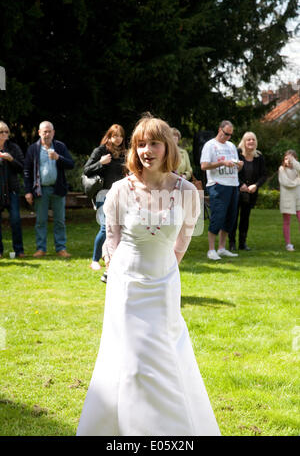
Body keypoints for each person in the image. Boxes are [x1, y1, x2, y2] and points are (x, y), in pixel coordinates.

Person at [77, 114, 220, 436]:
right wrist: (115, 271)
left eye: (154, 143)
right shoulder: (118, 190)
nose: (146, 150)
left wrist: (166, 268)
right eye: (140, 144)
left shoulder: (186, 191)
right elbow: (110, 238)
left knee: (166, 355)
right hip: (127, 284)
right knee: (134, 360)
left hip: (165, 282)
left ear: (167, 146)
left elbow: (183, 237)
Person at [24, 121, 74, 258]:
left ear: (53, 133)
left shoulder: (60, 147)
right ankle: (41, 249)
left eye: (49, 131)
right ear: (39, 133)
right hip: (41, 190)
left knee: (59, 220)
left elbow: (71, 164)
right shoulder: (33, 149)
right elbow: (27, 171)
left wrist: (58, 158)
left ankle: (61, 248)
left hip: (58, 189)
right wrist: (28, 191)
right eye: (44, 132)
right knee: (41, 221)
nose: (47, 134)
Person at [83, 124, 126, 274]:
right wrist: (101, 162)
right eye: (115, 136)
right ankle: (95, 260)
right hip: (104, 193)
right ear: (109, 136)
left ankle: (111, 257)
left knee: (119, 227)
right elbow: (86, 170)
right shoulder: (101, 150)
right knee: (105, 227)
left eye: (120, 136)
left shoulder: (124, 153)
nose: (118, 139)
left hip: (120, 193)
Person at [200, 120, 244, 260]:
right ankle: (211, 249)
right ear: (220, 130)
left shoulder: (231, 146)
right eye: (226, 134)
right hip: (218, 185)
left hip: (233, 184)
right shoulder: (210, 145)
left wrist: (239, 165)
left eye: (230, 135)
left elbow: (237, 168)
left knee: (230, 218)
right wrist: (222, 163)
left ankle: (222, 248)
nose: (228, 137)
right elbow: (204, 165)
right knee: (217, 217)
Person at [229, 132, 267, 251]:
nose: (251, 142)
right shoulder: (237, 154)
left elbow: (264, 175)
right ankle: (232, 243)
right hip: (237, 191)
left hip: (251, 193)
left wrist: (255, 185)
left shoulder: (259, 157)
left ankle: (242, 243)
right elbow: (233, 171)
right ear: (244, 142)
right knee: (233, 218)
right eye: (248, 140)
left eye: (253, 140)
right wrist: (241, 184)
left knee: (245, 218)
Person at [0, 121, 25, 258]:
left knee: (15, 220)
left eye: (6, 132)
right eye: (1, 132)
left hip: (12, 190)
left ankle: (19, 250)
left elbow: (22, 167)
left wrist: (11, 159)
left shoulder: (13, 148)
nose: (4, 134)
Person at [278, 150, 300, 251]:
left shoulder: (297, 169)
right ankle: (288, 244)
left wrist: (294, 162)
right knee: (287, 221)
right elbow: (287, 183)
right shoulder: (282, 169)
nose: (288, 161)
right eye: (286, 158)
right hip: (287, 199)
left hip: (298, 198)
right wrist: (298, 181)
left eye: (291, 158)